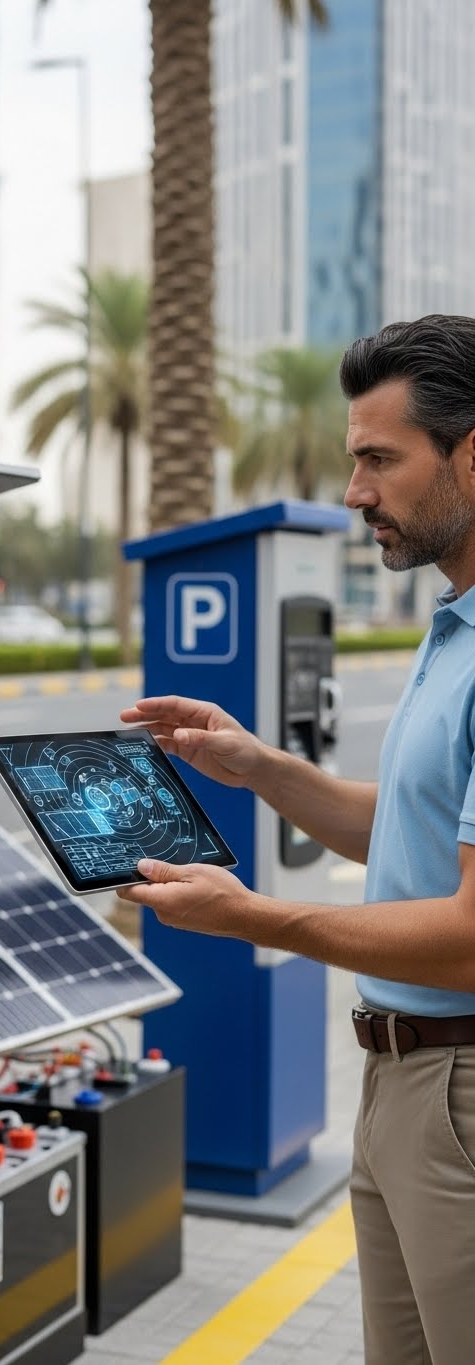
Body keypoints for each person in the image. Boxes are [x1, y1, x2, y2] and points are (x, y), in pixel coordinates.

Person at [117, 314, 475, 1365]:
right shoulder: (454, 628)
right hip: (399, 1087)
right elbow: (411, 830)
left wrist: (250, 918)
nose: (356, 491)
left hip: (458, 1091)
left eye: (379, 459)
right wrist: (262, 769)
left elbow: (467, 933)